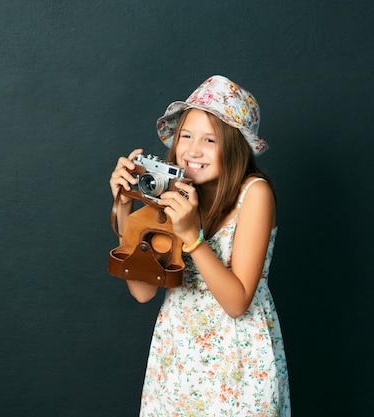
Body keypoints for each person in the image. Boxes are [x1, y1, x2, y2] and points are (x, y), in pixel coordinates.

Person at [109, 75, 290, 416]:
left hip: (238, 361)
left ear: (235, 146)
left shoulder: (255, 194)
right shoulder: (171, 189)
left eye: (210, 140)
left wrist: (192, 237)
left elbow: (237, 303)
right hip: (178, 358)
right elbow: (143, 291)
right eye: (186, 136)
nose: (192, 150)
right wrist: (124, 209)